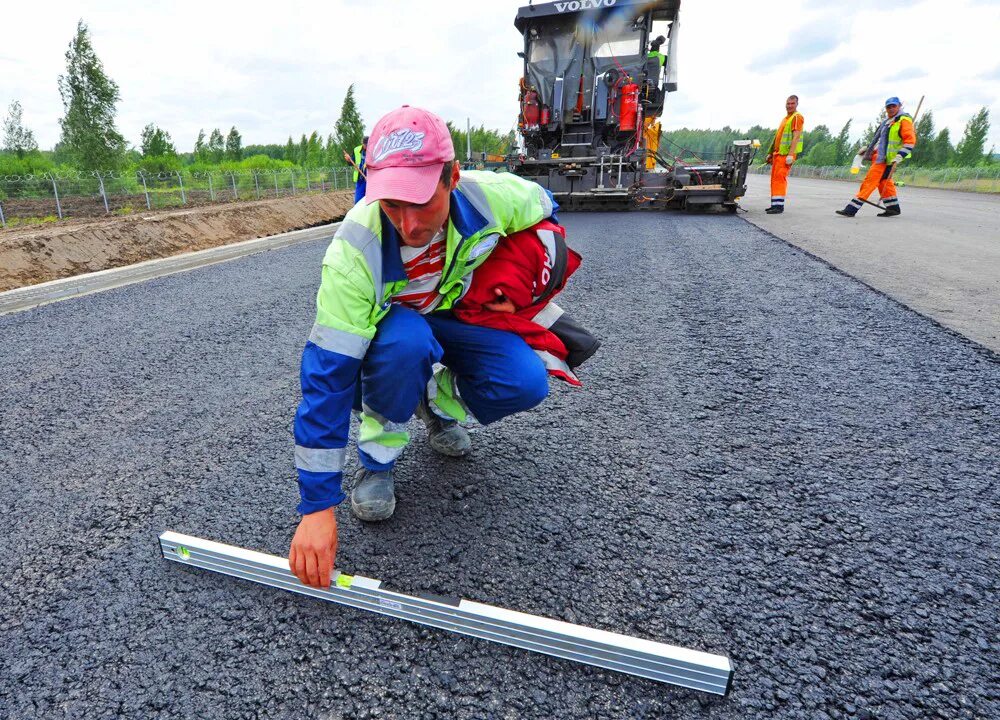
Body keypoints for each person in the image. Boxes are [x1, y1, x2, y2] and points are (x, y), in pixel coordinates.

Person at [289, 105, 564, 589]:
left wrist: (520, 280)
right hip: (396, 335)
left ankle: (432, 402)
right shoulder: (353, 253)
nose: (409, 225)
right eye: (392, 205)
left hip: (455, 315)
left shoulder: (492, 197)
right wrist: (317, 508)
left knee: (525, 381)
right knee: (405, 343)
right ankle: (377, 465)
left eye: (421, 203)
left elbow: (546, 210)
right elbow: (327, 380)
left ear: (452, 178)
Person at [836, 97, 916, 218]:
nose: (891, 109)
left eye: (894, 106)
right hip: (879, 156)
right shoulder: (887, 121)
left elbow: (910, 141)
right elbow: (881, 141)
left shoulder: (903, 120)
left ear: (899, 106)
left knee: (870, 182)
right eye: (888, 107)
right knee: (884, 183)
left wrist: (900, 156)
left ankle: (851, 209)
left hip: (886, 159)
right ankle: (893, 208)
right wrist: (868, 149)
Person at [764, 95, 804, 214]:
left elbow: (796, 137)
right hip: (778, 154)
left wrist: (790, 155)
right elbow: (777, 137)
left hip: (786, 155)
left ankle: (778, 206)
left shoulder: (797, 117)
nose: (790, 106)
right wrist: (770, 153)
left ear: (797, 104)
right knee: (775, 180)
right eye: (788, 103)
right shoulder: (786, 119)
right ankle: (775, 204)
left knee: (780, 179)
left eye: (792, 103)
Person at [352, 136, 368, 204]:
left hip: (370, 180)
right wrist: (348, 160)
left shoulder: (374, 150)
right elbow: (352, 161)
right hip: (360, 179)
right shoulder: (356, 150)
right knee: (358, 201)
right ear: (363, 144)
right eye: (365, 145)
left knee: (370, 201)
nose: (366, 146)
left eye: (368, 145)